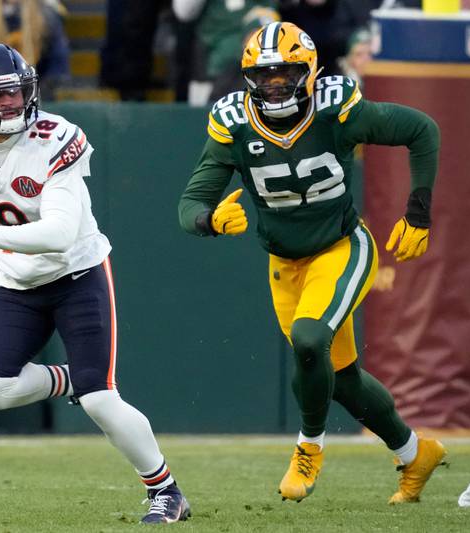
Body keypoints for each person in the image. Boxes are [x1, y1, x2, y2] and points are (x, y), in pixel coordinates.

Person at [0, 43, 189, 524]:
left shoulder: (55, 139)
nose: (10, 102)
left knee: (101, 400)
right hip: (16, 282)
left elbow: (60, 233)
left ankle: (166, 491)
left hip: (77, 274)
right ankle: (69, 378)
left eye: (16, 91)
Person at [178, 22, 446, 504]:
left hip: (341, 246)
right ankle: (414, 454)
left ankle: (308, 448)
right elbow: (191, 202)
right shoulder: (234, 121)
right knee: (340, 379)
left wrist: (419, 214)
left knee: (308, 338)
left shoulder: (335, 107)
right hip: (284, 263)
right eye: (265, 76)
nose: (275, 85)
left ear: (310, 72)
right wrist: (209, 220)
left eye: (285, 73)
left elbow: (421, 130)